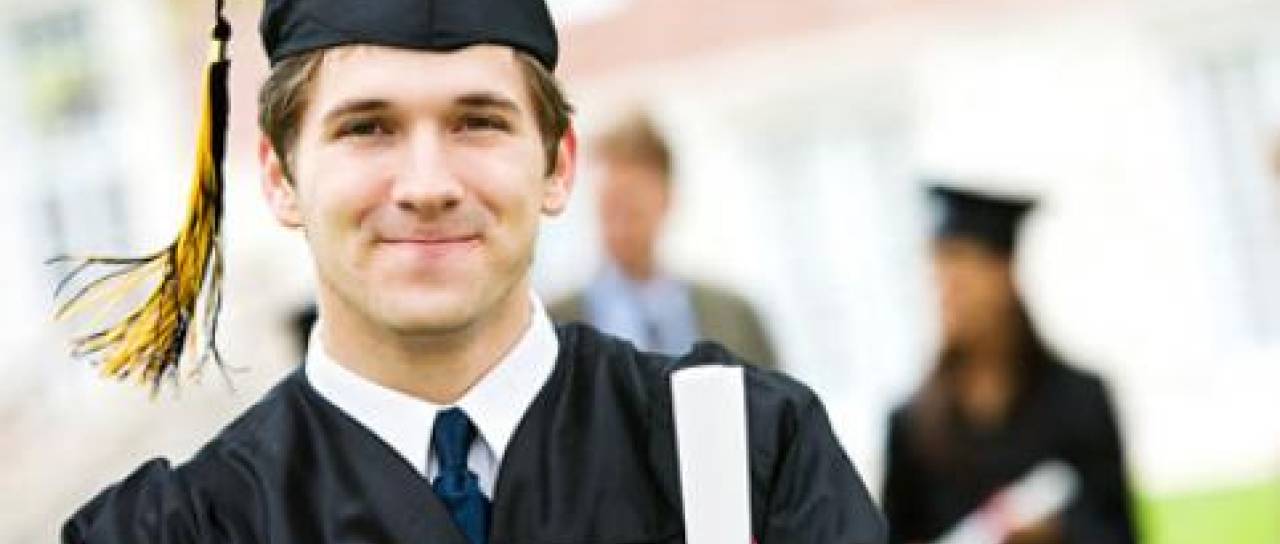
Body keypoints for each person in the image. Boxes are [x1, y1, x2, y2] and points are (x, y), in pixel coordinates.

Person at [58, 0, 885, 542]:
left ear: (559, 164)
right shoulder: (180, 531)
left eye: (477, 122)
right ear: (279, 177)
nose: (428, 186)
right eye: (367, 128)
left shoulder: (747, 457)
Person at [881, 185, 1137, 544]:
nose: (947, 291)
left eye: (963, 272)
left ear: (1005, 273)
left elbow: (1121, 531)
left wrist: (1057, 532)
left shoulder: (1081, 400)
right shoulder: (912, 425)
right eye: (939, 274)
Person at [550, 112, 777, 368]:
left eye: (634, 211)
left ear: (667, 201)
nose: (621, 228)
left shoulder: (736, 319)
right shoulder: (553, 327)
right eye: (610, 210)